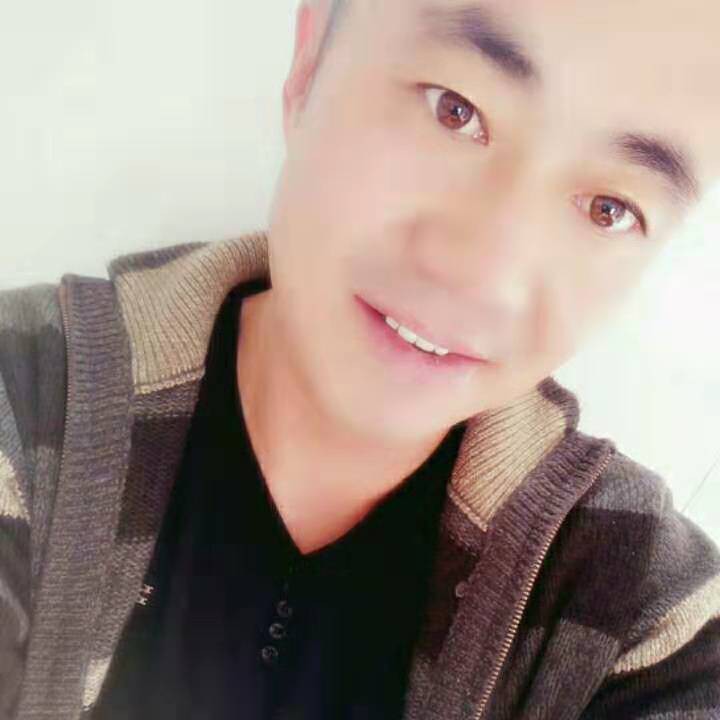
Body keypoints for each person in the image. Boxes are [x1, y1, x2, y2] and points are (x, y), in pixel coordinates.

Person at [1, 0, 719, 717]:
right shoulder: (25, 398)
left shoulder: (644, 615)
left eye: (608, 209)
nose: (482, 276)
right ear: (310, 65)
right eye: (454, 110)